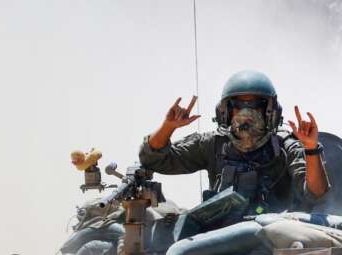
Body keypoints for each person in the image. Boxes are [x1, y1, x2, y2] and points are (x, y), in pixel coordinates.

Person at [140, 70, 329, 222]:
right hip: (220, 239)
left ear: (270, 111)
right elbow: (154, 159)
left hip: (274, 239)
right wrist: (168, 127)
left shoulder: (285, 147)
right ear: (226, 112)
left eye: (255, 106)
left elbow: (316, 193)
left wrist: (311, 149)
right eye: (238, 106)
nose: (246, 114)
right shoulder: (213, 144)